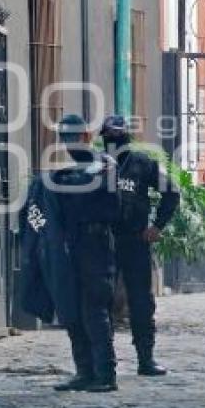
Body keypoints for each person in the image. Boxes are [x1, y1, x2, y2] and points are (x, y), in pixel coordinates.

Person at [100, 115, 179, 376]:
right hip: (102, 243)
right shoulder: (95, 165)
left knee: (141, 302)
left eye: (117, 133)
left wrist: (157, 226)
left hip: (134, 241)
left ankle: (146, 358)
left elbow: (172, 191)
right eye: (108, 134)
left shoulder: (142, 163)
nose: (113, 138)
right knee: (100, 301)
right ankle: (103, 361)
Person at [49, 114, 120, 392]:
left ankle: (105, 374)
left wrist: (61, 183)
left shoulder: (104, 164)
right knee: (73, 310)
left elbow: (85, 186)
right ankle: (85, 372)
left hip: (96, 244)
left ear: (87, 136)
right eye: (64, 138)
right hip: (73, 244)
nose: (68, 143)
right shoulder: (68, 171)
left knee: (94, 308)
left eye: (73, 136)